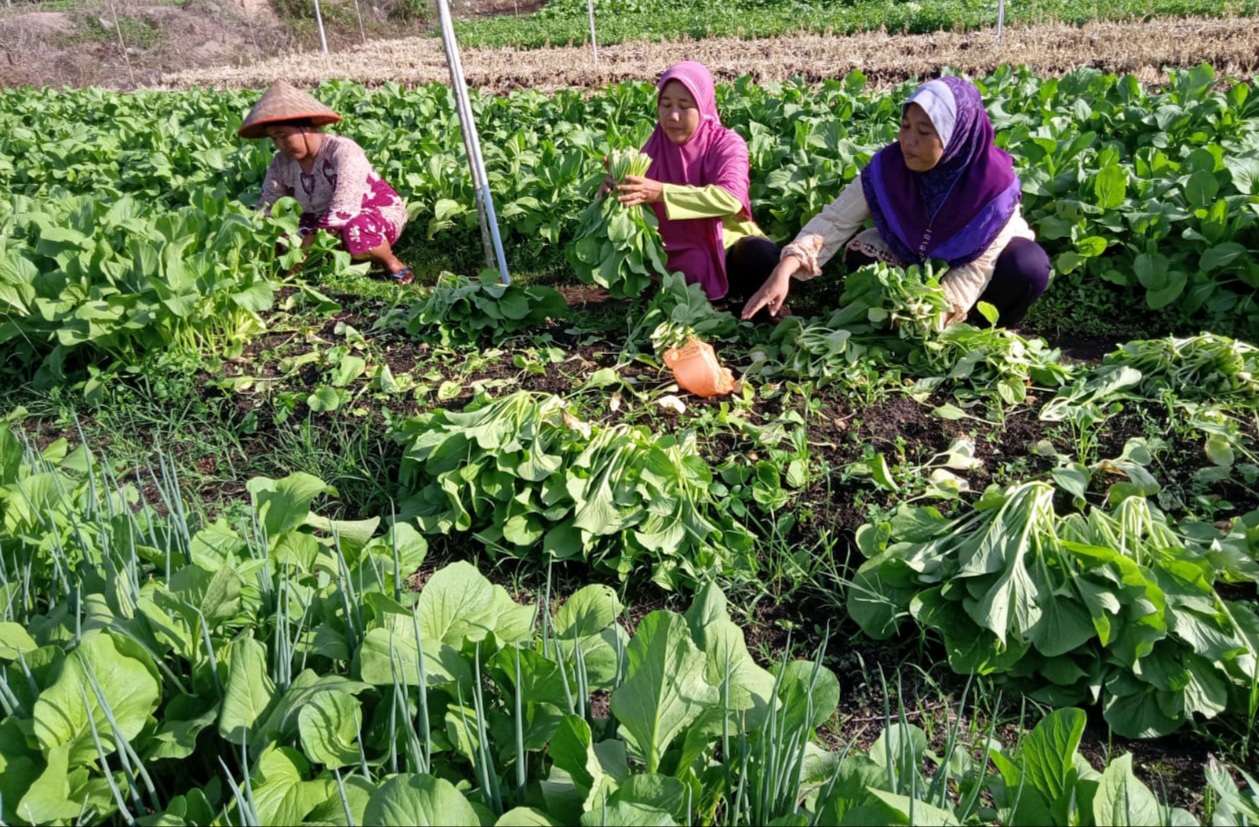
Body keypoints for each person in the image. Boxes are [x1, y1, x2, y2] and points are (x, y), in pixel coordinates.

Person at [742, 76, 1050, 327]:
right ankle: (903, 324)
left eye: (924, 131)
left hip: (978, 275)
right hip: (912, 263)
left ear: (956, 137)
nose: (908, 140)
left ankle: (983, 330)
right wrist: (785, 268)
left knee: (1027, 265)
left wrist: (933, 316)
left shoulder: (993, 189)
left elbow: (975, 271)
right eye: (905, 127)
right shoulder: (889, 167)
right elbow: (836, 220)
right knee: (863, 256)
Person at [613, 61, 780, 309]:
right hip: (671, 258)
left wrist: (660, 192)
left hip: (725, 252)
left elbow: (730, 199)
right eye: (666, 105)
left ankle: (754, 311)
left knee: (761, 255)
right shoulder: (653, 147)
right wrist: (615, 188)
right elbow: (635, 201)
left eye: (684, 106)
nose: (673, 116)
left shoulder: (726, 144)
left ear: (702, 106)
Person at [238, 81, 415, 285]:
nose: (280, 145)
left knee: (356, 230)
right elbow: (267, 205)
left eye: (284, 136)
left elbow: (344, 209)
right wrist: (266, 236)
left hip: (370, 212)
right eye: (274, 139)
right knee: (285, 236)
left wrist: (304, 249)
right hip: (317, 221)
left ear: (305, 128)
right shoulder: (281, 162)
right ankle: (338, 259)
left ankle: (390, 262)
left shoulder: (342, 150)